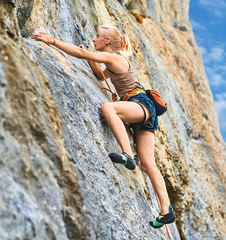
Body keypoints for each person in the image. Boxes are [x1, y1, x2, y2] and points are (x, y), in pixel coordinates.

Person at [31, 25, 175, 228]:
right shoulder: (113, 61)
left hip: (140, 104)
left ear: (107, 41)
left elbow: (81, 53)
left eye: (97, 36)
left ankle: (127, 154)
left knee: (108, 109)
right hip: (144, 111)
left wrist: (52, 40)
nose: (94, 38)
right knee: (148, 165)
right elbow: (101, 76)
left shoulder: (115, 57)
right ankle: (166, 211)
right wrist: (91, 57)